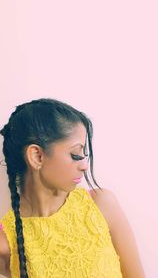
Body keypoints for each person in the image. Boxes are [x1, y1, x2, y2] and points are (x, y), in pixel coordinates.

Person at [0, 98, 145, 278]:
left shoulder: (101, 205)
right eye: (76, 155)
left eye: (84, 155)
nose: (85, 165)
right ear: (37, 156)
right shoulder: (6, 241)